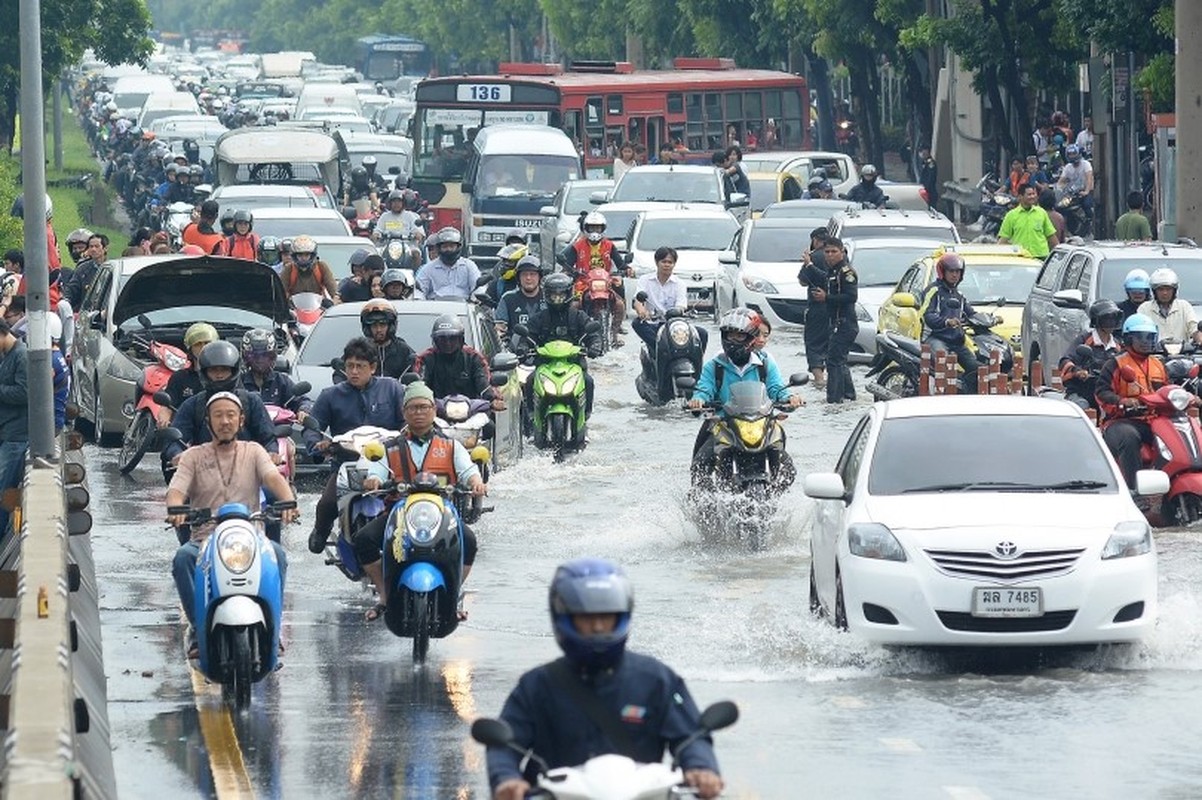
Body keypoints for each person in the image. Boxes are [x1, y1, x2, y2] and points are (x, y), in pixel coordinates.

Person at [486, 558, 724, 800]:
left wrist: (702, 769)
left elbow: (691, 737)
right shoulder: (537, 685)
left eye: (606, 617)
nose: (598, 627)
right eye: (586, 618)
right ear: (564, 616)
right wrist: (507, 779)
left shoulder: (656, 680)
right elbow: (505, 743)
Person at [166, 392, 298, 659]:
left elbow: (274, 479)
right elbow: (176, 490)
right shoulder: (192, 456)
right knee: (182, 558)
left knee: (279, 556)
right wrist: (175, 509)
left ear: (241, 421)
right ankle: (197, 626)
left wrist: (289, 502)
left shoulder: (255, 451)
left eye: (231, 415)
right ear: (208, 421)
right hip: (205, 539)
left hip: (251, 538)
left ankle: (273, 628)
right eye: (218, 415)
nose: (225, 421)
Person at [350, 381, 485, 622]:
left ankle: (452, 595)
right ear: (404, 413)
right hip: (399, 513)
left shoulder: (451, 446)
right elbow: (376, 471)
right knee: (364, 540)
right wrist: (373, 480)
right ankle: (384, 594)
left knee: (470, 542)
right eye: (413, 408)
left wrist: (477, 482)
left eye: (424, 407)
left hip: (442, 514)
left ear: (434, 410)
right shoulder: (388, 447)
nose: (419, 413)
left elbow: (468, 470)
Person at [305, 337, 407, 554]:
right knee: (326, 504)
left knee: (409, 498)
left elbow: (406, 421)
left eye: (360, 366)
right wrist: (317, 443)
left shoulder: (393, 389)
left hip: (388, 463)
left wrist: (405, 436)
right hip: (346, 464)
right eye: (349, 366)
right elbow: (313, 426)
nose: (354, 371)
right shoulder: (330, 395)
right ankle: (320, 532)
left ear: (373, 367)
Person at [686, 308, 802, 486]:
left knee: (788, 470)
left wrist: (789, 397)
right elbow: (704, 389)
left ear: (751, 338)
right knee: (700, 465)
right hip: (723, 426)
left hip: (760, 425)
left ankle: (777, 500)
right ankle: (706, 507)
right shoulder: (714, 366)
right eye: (729, 335)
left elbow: (776, 388)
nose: (733, 341)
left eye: (739, 336)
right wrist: (698, 400)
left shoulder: (764, 363)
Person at [161, 341, 281, 475]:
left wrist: (272, 453)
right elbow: (174, 440)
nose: (219, 375)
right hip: (204, 475)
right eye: (213, 370)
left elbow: (268, 438)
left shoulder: (252, 401)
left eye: (224, 369)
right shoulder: (193, 404)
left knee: (274, 491)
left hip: (248, 474)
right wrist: (177, 455)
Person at [1096, 314, 1180, 488]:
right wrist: (1122, 401)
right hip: (1121, 421)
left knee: (1180, 435)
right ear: (1128, 338)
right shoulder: (1116, 363)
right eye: (1140, 337)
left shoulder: (1158, 364)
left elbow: (1167, 390)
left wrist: (1185, 397)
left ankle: (1173, 485)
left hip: (1154, 420)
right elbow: (1101, 393)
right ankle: (1133, 489)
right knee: (1129, 438)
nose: (1146, 341)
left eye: (1150, 337)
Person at [517, 273, 603, 417]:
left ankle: (586, 414)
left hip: (574, 364)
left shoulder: (578, 316)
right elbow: (527, 336)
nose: (557, 298)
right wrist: (523, 348)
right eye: (553, 295)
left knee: (588, 381)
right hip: (545, 365)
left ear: (569, 294)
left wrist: (595, 345)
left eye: (561, 295)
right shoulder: (540, 317)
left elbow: (592, 334)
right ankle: (532, 415)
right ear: (546, 295)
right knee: (530, 380)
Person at [919, 253, 989, 394]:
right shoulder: (934, 291)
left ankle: (965, 393)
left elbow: (971, 314)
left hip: (956, 341)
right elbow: (926, 315)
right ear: (942, 272)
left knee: (978, 368)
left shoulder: (959, 295)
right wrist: (946, 322)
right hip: (935, 338)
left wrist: (989, 319)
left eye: (957, 271)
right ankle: (941, 396)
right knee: (944, 363)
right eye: (951, 271)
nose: (954, 275)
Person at [560, 211, 629, 345]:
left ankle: (614, 334)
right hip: (584, 282)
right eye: (592, 228)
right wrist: (570, 271)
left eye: (597, 228)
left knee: (620, 304)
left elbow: (620, 263)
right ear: (586, 228)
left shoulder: (609, 245)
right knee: (574, 306)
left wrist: (626, 269)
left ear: (603, 228)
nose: (595, 231)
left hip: (605, 282)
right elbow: (565, 261)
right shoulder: (577, 246)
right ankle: (572, 334)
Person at [413, 315, 502, 406]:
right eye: (442, 338)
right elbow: (419, 386)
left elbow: (483, 381)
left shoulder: (473, 357)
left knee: (488, 420)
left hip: (472, 413)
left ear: (461, 339)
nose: (448, 343)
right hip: (433, 412)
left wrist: (492, 399)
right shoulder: (426, 358)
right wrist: (419, 398)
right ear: (435, 340)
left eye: (452, 338)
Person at [632, 247, 708, 353]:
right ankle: (660, 350)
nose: (667, 265)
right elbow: (638, 300)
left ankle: (698, 366)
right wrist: (642, 311)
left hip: (674, 325)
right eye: (664, 262)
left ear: (674, 264)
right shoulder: (645, 280)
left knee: (702, 333)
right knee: (637, 323)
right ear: (656, 262)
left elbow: (681, 306)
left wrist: (676, 312)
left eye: (670, 262)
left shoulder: (680, 283)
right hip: (653, 324)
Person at [815, 237, 859, 403]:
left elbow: (851, 296)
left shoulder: (846, 272)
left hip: (845, 323)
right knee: (839, 360)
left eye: (834, 252)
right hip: (836, 322)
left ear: (842, 252)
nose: (830, 255)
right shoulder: (832, 272)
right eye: (827, 252)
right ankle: (848, 396)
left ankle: (834, 400)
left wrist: (827, 297)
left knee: (833, 361)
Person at [1058, 299, 1122, 411]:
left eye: (1114, 318)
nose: (1111, 323)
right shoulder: (1084, 339)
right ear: (1097, 321)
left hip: (1105, 394)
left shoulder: (1118, 346)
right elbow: (1065, 361)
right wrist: (1077, 371)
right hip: (1081, 392)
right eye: (1107, 319)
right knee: (1082, 406)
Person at [239, 328, 312, 412]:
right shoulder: (239, 382)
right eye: (254, 356)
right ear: (246, 357)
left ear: (273, 356)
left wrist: (303, 409)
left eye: (265, 355)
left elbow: (303, 401)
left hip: (278, 425)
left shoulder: (281, 381)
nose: (260, 360)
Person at [0, 318, 27, 536]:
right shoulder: (8, 355)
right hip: (7, 431)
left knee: (3, 489)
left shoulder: (21, 356)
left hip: (17, 436)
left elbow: (24, 393)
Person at [798, 228, 831, 387]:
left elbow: (803, 281)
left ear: (815, 240)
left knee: (813, 343)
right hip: (837, 308)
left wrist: (808, 264)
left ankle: (819, 379)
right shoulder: (838, 257)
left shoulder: (813, 257)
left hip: (817, 308)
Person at [164, 322, 219, 415]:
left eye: (207, 343)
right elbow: (167, 405)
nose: (203, 347)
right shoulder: (179, 378)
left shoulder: (225, 375)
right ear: (190, 348)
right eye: (198, 344)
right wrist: (164, 414)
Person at [1137, 268, 1202, 346]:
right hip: (1152, 355)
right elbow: (1139, 334)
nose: (1165, 293)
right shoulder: (1144, 308)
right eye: (1160, 289)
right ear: (1154, 291)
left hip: (1182, 355)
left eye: (1168, 289)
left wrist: (1200, 340)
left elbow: (1194, 329)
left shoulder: (1184, 306)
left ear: (1174, 290)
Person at [416, 228, 480, 301]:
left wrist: (476, 300)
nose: (448, 249)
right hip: (435, 308)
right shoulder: (428, 268)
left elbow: (478, 287)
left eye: (452, 246)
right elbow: (419, 291)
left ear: (458, 247)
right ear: (439, 248)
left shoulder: (469, 266)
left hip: (464, 308)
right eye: (445, 247)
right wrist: (419, 300)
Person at [359, 299, 416, 379]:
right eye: (374, 325)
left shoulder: (403, 350)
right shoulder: (359, 350)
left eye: (382, 325)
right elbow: (342, 372)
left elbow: (416, 373)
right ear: (367, 328)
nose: (378, 330)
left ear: (391, 326)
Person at [495, 256, 546, 343]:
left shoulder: (548, 297)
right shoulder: (508, 299)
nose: (528, 278)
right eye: (524, 274)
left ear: (539, 277)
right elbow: (500, 328)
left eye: (532, 274)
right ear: (518, 277)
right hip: (516, 351)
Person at [998, 184, 1058, 258]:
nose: (1032, 197)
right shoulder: (1011, 216)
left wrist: (1058, 253)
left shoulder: (1041, 213)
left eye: (1033, 194)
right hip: (1021, 258)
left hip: (1041, 257)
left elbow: (1051, 236)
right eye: (1029, 194)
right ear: (1020, 197)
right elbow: (1003, 239)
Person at [279, 234, 340, 303]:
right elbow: (280, 293)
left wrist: (335, 302)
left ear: (312, 255)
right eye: (300, 255)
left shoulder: (321, 267)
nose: (303, 258)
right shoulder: (288, 269)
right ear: (295, 256)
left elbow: (334, 290)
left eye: (306, 255)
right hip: (294, 309)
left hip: (318, 308)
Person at [483, 243, 527, 307]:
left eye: (510, 261)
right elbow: (485, 307)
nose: (505, 264)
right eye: (504, 260)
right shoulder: (497, 284)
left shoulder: (533, 285)